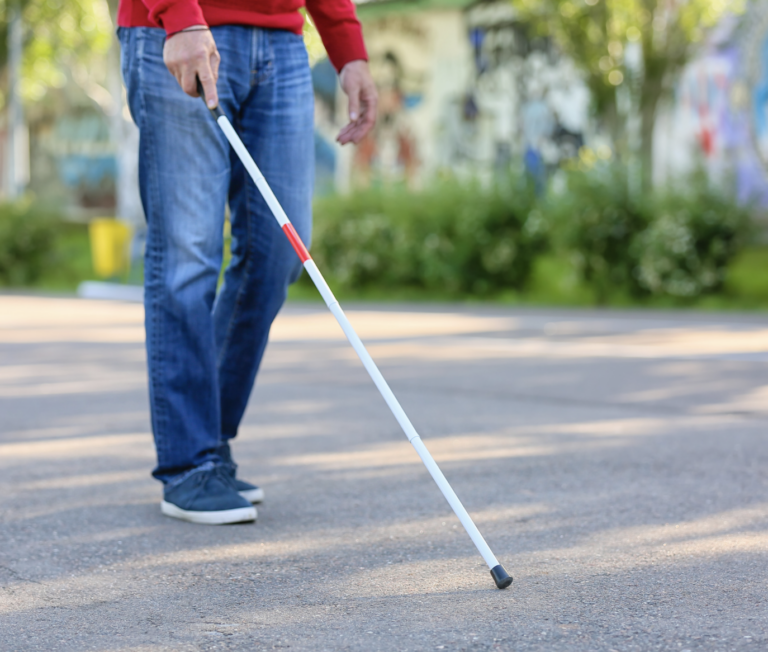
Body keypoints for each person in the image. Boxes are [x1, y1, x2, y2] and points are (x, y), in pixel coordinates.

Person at [116, 0, 377, 525]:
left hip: (281, 41)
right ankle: (189, 463)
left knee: (280, 250)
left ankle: (207, 440)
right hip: (182, 27)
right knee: (188, 254)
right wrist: (177, 14)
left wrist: (347, 49)